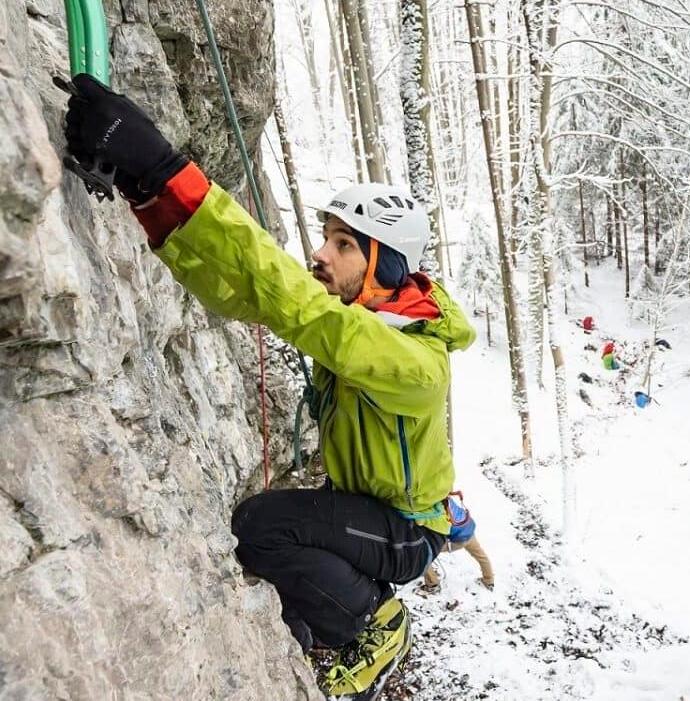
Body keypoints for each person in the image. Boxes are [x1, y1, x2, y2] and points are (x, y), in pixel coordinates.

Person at [60, 75, 475, 700]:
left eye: (343, 245)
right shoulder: (369, 323)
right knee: (278, 561)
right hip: (377, 518)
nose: (321, 254)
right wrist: (150, 196)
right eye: (326, 238)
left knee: (260, 526)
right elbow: (244, 292)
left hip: (406, 532)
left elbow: (303, 308)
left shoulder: (415, 360)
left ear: (383, 265)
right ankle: (322, 628)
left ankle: (376, 622)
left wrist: (170, 171)